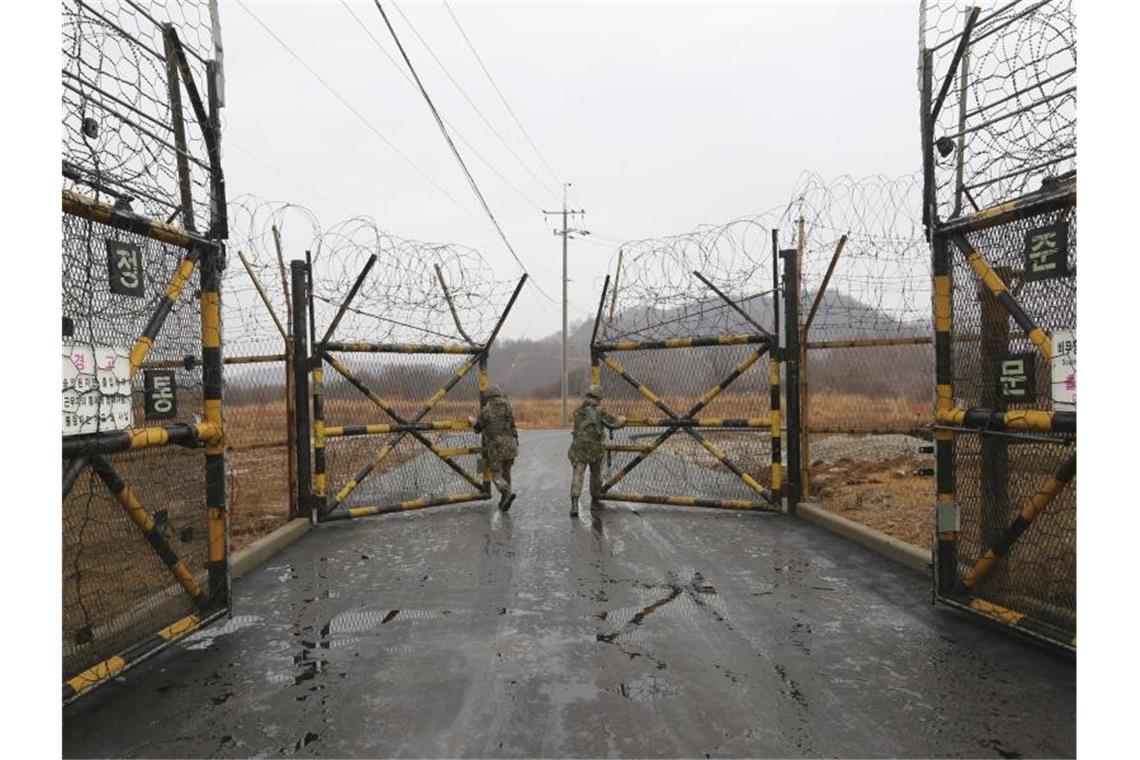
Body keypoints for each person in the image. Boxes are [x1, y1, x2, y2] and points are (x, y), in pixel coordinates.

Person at [567, 384, 625, 517]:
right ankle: (595, 501)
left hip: (578, 447)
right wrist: (623, 419)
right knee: (595, 474)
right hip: (594, 448)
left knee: (578, 475)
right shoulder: (600, 410)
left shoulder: (578, 410)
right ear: (599, 397)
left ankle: (574, 504)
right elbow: (613, 422)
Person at [473, 384, 519, 511]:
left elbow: (477, 429)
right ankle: (505, 499)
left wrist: (473, 421)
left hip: (497, 447)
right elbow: (512, 424)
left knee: (495, 474)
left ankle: (506, 492)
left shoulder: (485, 411)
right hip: (511, 445)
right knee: (506, 471)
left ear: (487, 397)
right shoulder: (508, 408)